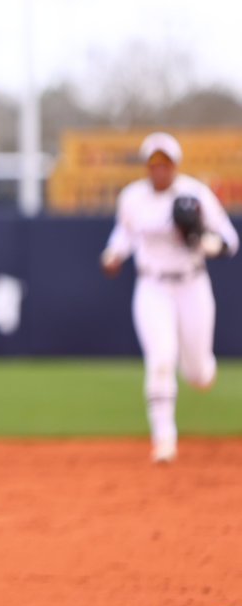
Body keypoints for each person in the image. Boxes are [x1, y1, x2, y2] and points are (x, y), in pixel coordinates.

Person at [101, 132, 238, 463]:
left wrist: (202, 240)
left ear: (175, 165)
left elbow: (230, 241)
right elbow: (124, 234)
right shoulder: (133, 197)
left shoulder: (195, 194)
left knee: (198, 375)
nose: (160, 169)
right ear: (148, 166)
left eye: (166, 163)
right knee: (161, 358)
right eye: (154, 162)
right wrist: (113, 254)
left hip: (192, 285)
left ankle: (202, 368)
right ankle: (164, 439)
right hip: (152, 286)